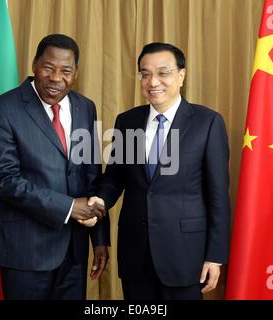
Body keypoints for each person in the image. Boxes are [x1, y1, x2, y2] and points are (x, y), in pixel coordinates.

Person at [86, 42, 230, 300]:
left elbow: (218, 195)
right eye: (145, 73)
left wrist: (215, 256)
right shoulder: (127, 121)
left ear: (181, 75)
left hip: (186, 256)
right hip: (135, 254)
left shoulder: (207, 123)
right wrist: (101, 200)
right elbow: (115, 177)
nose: (153, 82)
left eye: (163, 73)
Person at [0, 34, 109, 300]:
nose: (56, 78)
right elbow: (4, 180)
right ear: (34, 64)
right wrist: (69, 207)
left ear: (76, 73)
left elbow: (91, 175)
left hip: (74, 253)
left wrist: (99, 238)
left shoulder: (85, 107)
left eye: (66, 70)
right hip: (25, 252)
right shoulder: (2, 109)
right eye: (48, 68)